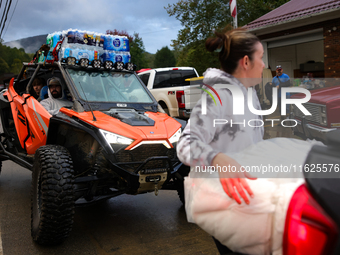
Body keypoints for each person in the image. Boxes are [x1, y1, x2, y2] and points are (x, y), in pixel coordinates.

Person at [176, 27, 265, 254]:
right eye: (261, 58)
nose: (264, 65)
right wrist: (217, 158)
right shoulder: (216, 96)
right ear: (246, 62)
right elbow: (186, 143)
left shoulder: (250, 93)